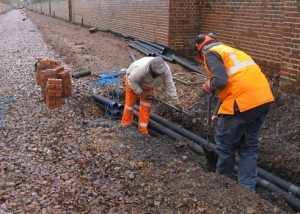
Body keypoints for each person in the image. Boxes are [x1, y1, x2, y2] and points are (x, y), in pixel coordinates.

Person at [195, 33, 274, 191]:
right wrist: (217, 113)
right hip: (263, 99)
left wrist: (208, 86)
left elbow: (220, 81)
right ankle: (247, 189)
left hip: (242, 103)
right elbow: (233, 84)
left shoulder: (210, 53)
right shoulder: (233, 51)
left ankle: (221, 185)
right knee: (248, 147)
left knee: (225, 146)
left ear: (200, 51)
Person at [121, 56, 180, 134]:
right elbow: (131, 81)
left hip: (148, 85)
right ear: (151, 69)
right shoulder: (141, 68)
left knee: (146, 107)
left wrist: (176, 102)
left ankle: (143, 130)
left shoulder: (165, 70)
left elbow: (170, 86)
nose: (157, 74)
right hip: (133, 82)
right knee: (129, 104)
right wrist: (141, 92)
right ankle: (126, 124)